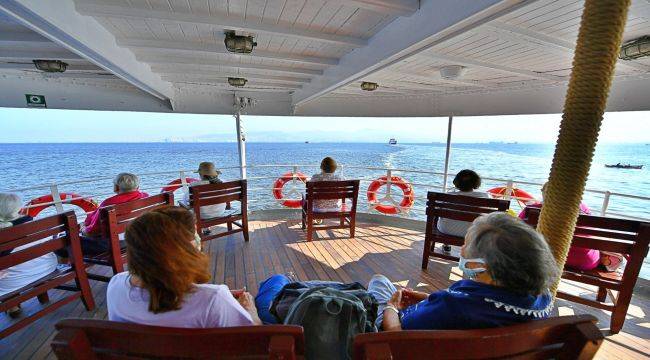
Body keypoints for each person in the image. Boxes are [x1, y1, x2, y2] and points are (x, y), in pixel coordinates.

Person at [368, 212, 556, 331]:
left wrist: (391, 308)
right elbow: (476, 308)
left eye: (466, 245)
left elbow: (395, 339)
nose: (462, 249)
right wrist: (430, 299)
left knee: (379, 281)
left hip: (391, 342)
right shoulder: (543, 299)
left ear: (484, 268)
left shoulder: (452, 307)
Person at [107, 206, 261, 327]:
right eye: (195, 234)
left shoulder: (115, 285)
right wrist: (250, 309)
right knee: (274, 284)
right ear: (185, 248)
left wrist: (212, 294)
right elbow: (254, 339)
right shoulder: (213, 300)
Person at [0, 193, 58, 317]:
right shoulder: (40, 223)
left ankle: (12, 306)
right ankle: (18, 304)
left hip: (13, 281)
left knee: (7, 272)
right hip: (47, 268)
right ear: (19, 208)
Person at [518, 182, 599, 271]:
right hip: (583, 261)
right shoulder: (584, 209)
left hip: (544, 258)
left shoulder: (532, 209)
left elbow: (517, 232)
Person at [78, 173, 149, 256]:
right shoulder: (146, 197)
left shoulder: (109, 203)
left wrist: (83, 229)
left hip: (116, 244)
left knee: (68, 242)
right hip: (137, 238)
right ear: (137, 187)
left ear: (116, 188)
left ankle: (70, 266)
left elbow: (92, 232)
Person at [437, 170, 488, 251]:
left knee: (442, 218)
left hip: (446, 230)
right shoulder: (484, 197)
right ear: (476, 182)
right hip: (472, 233)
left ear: (457, 182)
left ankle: (446, 244)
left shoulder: (447, 196)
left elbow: (436, 211)